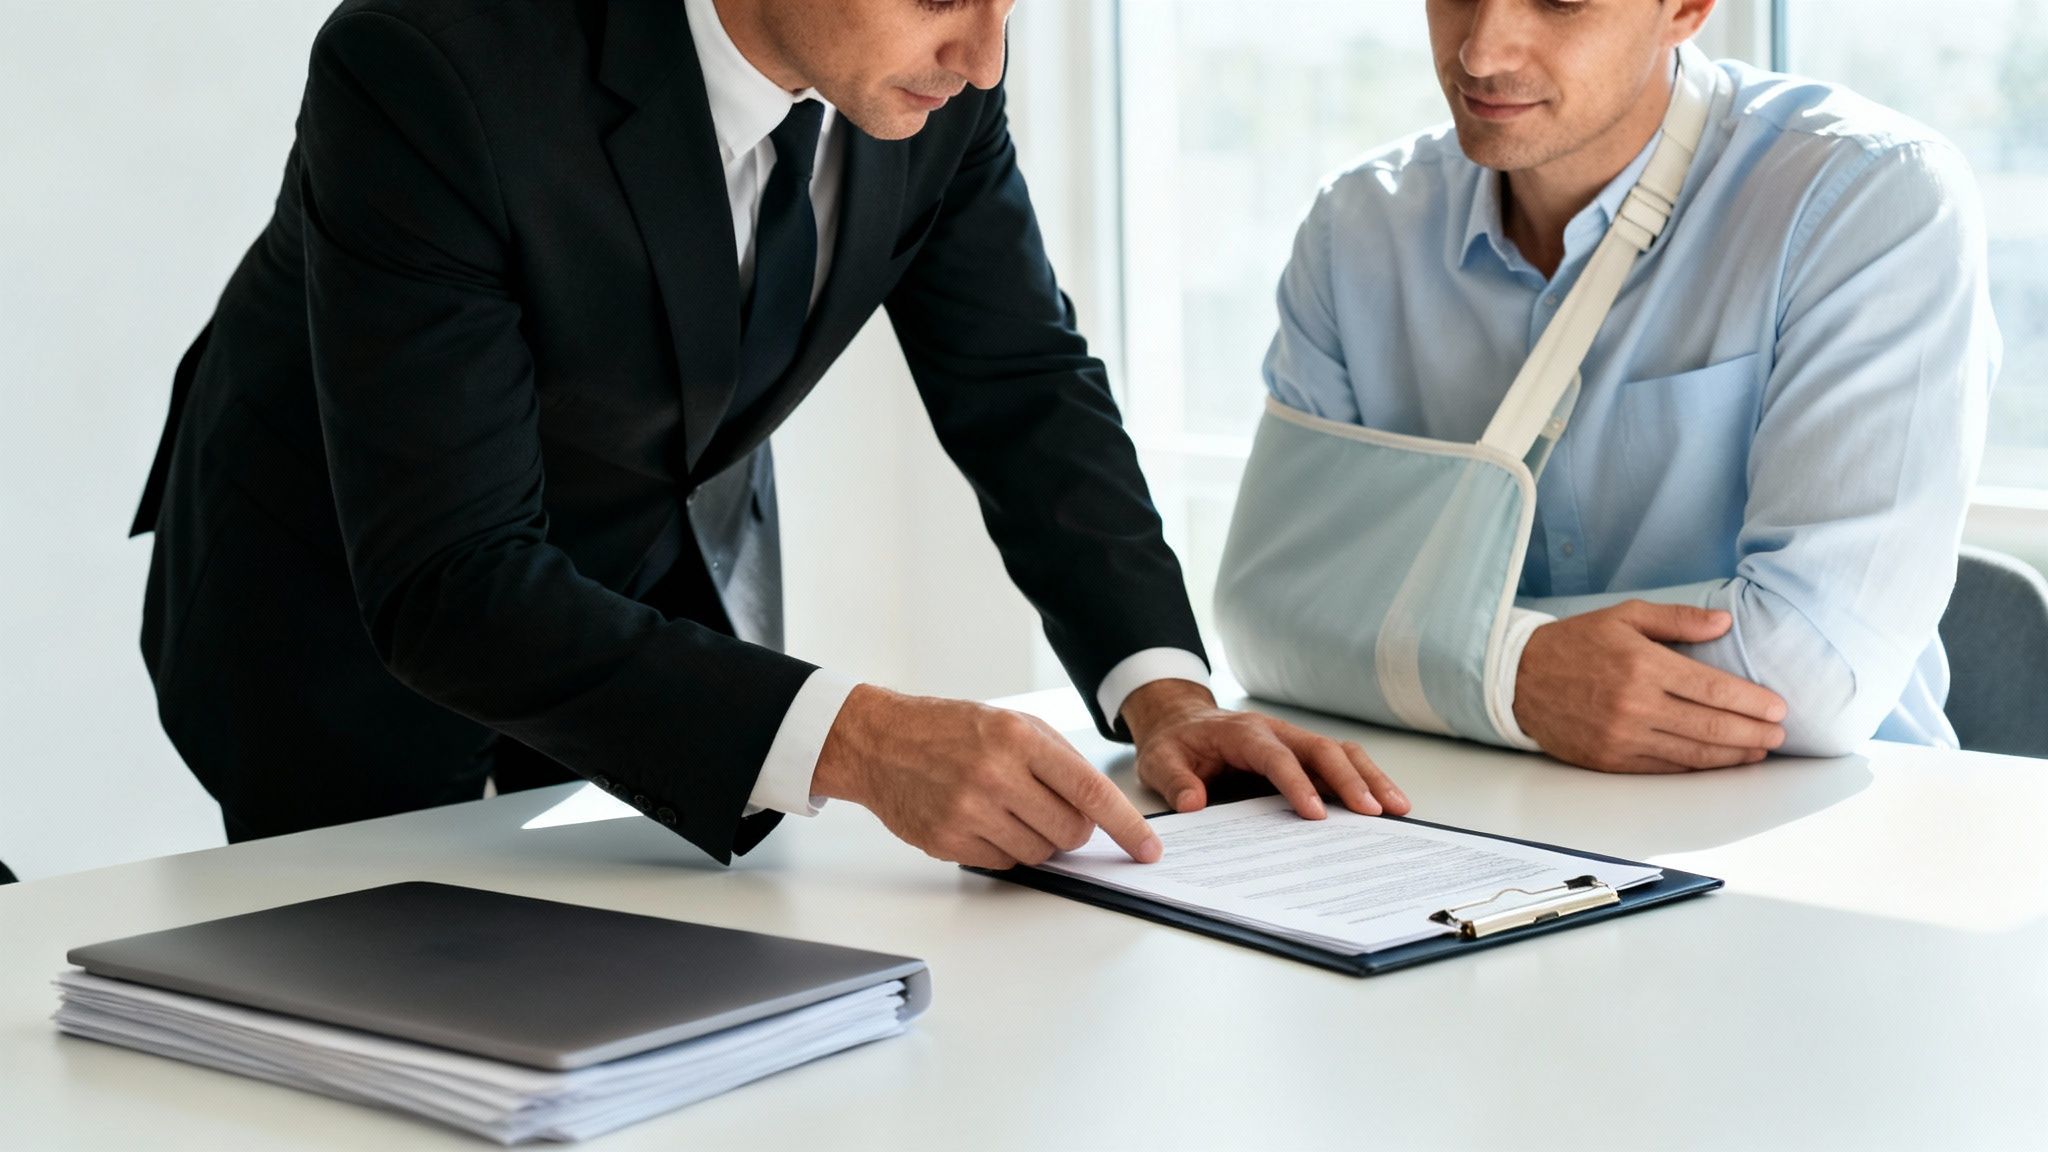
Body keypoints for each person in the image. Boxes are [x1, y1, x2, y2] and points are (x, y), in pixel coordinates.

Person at [132, 0, 1410, 866]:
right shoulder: (426, 59)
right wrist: (859, 738)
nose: (981, 56)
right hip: (347, 600)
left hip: (648, 574)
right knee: (377, 1012)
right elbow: (446, 575)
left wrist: (1163, 699)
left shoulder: (943, 76)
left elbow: (1019, 380)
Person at [1261, 0, 1997, 773]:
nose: (1481, 51)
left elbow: (1814, 669)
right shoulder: (1355, 227)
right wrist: (1520, 670)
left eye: (1559, 2)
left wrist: (1416, 653)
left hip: (1810, 829)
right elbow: (1275, 615)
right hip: (1465, 815)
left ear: (1685, 9)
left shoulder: (1868, 197)